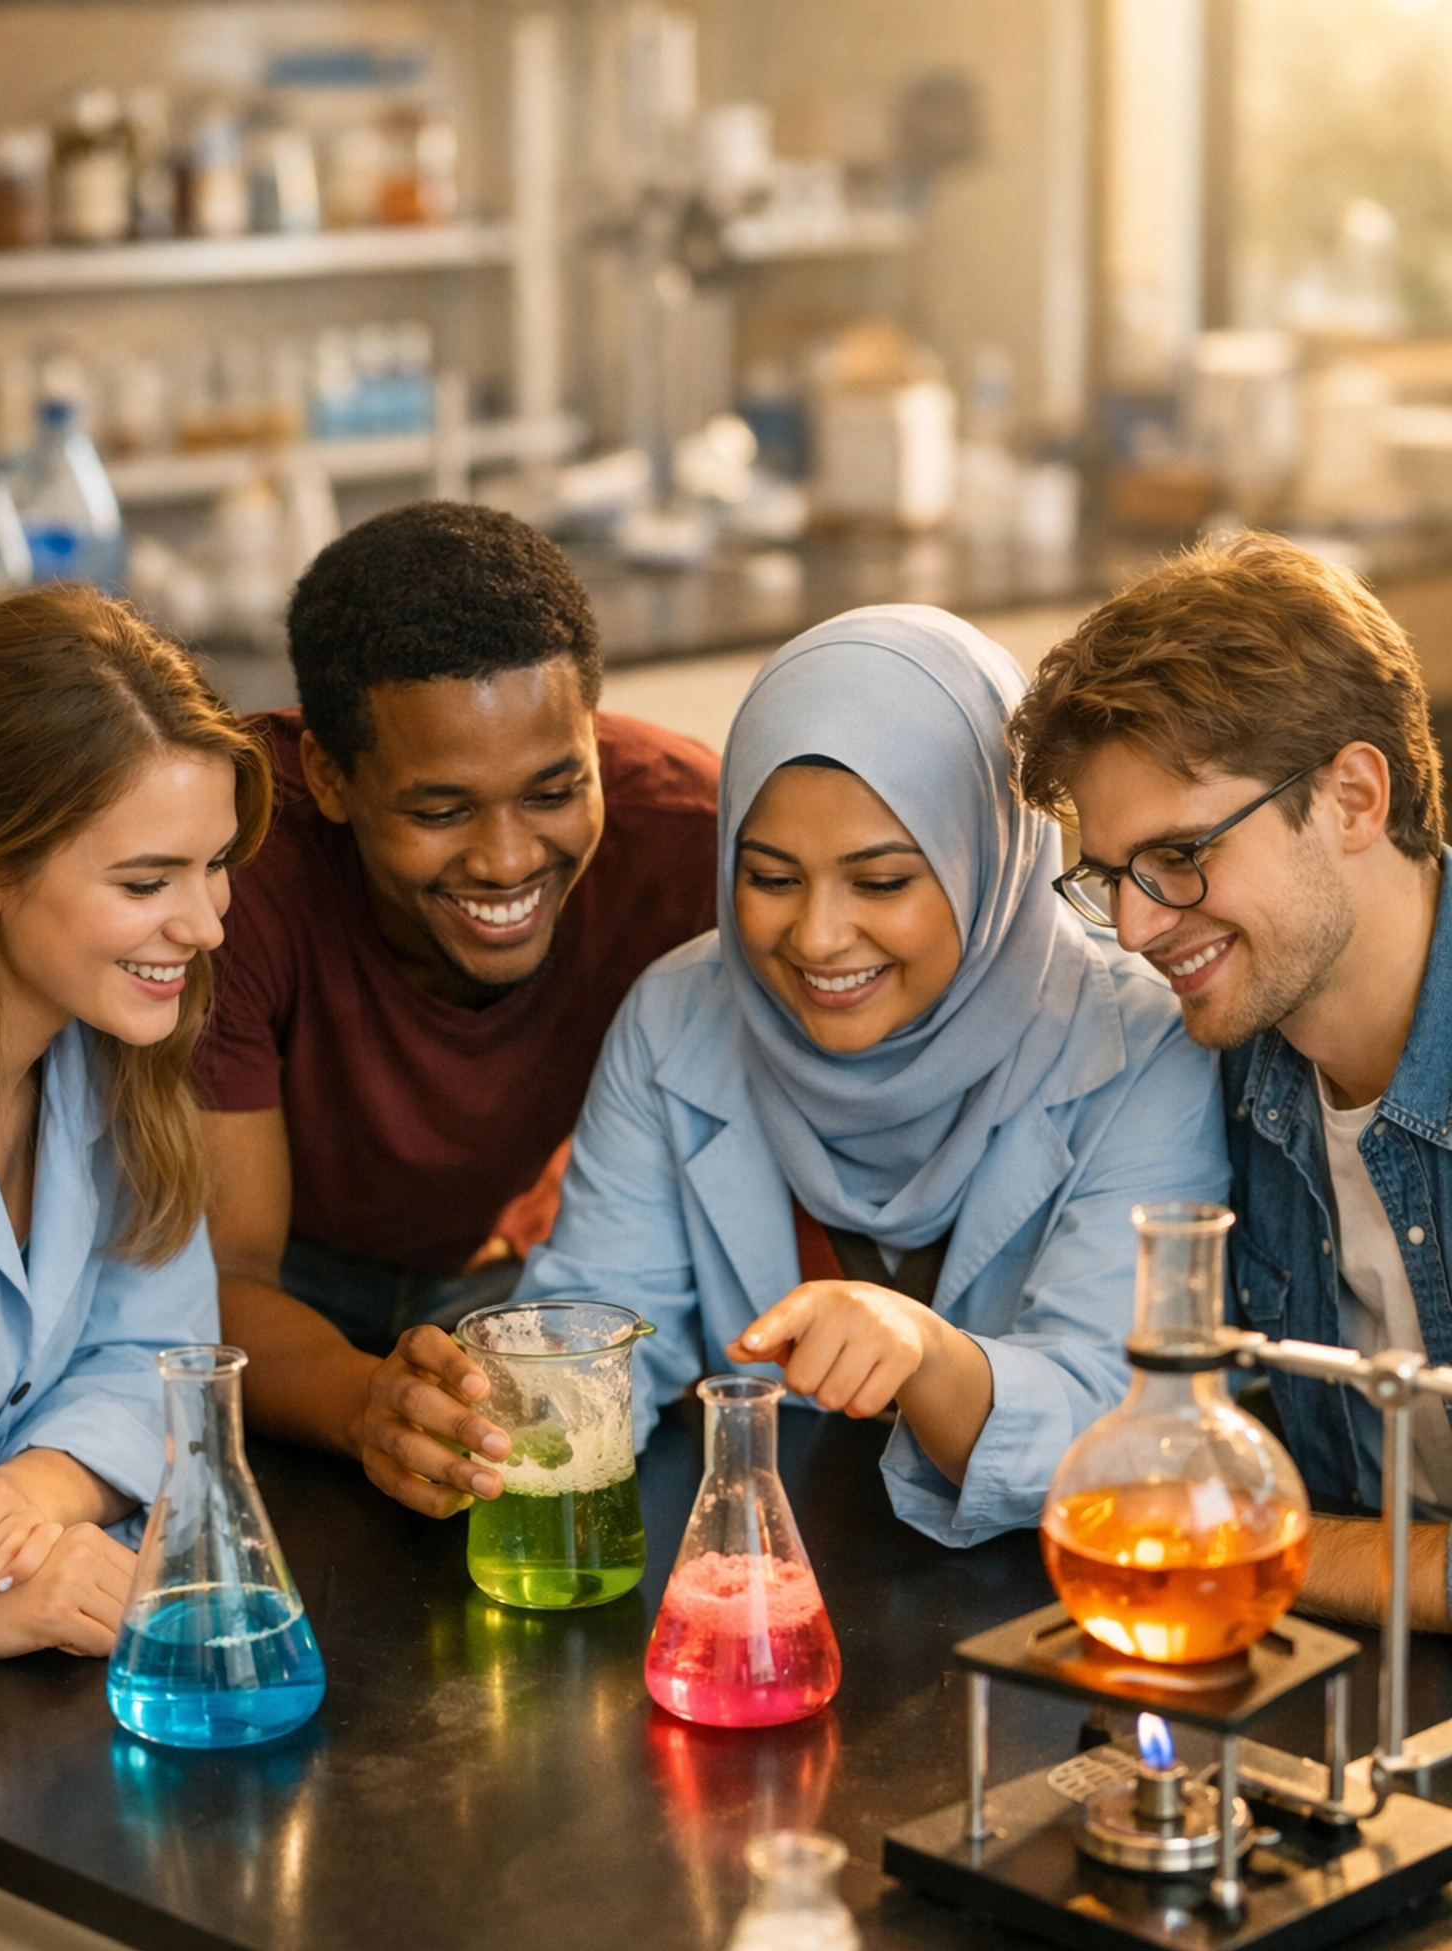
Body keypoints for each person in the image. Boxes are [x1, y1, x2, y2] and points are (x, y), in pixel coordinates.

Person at [373, 606, 1228, 1542]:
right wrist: (484, 1410)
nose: (817, 938)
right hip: (750, 1582)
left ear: (993, 859)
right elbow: (606, 1341)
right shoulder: (679, 1016)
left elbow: (1131, 1430)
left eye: (882, 881)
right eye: (772, 878)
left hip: (1054, 1610)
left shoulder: (1144, 1045)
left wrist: (928, 1357)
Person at [197, 502, 718, 1511]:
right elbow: (221, 1281)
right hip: (282, 1302)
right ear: (329, 777)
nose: (509, 858)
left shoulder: (693, 839)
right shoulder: (234, 861)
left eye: (555, 791)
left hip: (526, 1278)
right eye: (440, 812)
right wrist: (367, 1404)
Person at [1009, 531, 1452, 1629]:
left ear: (1353, 798)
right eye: (1110, 876)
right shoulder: (1209, 1063)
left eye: (1180, 854)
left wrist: (1263, 1549)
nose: (1136, 926)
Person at [0, 585, 271, 1658]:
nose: (205, 924)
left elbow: (155, 1354)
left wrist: (33, 1491)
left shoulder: (104, 1057)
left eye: (213, 866)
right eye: (145, 880)